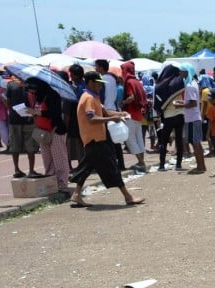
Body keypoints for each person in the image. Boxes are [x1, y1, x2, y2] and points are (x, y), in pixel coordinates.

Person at [70, 72, 144, 208]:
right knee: (112, 167)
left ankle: (76, 194)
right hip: (95, 139)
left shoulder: (94, 97)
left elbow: (105, 112)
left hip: (96, 138)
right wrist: (112, 119)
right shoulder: (88, 98)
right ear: (91, 82)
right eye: (98, 83)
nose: (100, 86)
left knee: (87, 166)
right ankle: (128, 196)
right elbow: (91, 119)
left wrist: (120, 114)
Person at [27, 79, 69, 193]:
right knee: (47, 159)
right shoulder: (38, 97)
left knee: (59, 158)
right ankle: (51, 181)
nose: (33, 93)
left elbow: (54, 113)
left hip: (56, 130)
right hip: (43, 132)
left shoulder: (52, 95)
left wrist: (37, 113)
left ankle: (62, 183)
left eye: (34, 90)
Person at [5, 74, 39, 177]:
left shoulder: (10, 85)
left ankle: (16, 169)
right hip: (29, 118)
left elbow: (8, 102)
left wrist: (13, 112)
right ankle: (31, 170)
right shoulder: (31, 86)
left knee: (15, 145)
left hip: (14, 119)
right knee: (30, 146)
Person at [154, 63, 186, 171]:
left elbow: (158, 103)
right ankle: (178, 165)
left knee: (163, 140)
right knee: (179, 140)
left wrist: (159, 111)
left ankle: (162, 165)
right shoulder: (180, 81)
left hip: (168, 116)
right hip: (180, 114)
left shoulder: (160, 85)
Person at [119, 61, 148, 173]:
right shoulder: (137, 81)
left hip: (130, 113)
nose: (122, 72)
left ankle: (141, 163)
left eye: (123, 70)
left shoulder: (130, 82)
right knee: (139, 139)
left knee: (130, 139)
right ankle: (141, 161)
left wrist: (123, 103)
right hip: (139, 114)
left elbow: (131, 97)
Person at [181, 64, 207, 173]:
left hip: (192, 118)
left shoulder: (190, 86)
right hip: (193, 117)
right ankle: (201, 166)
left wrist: (180, 105)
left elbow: (193, 103)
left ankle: (200, 167)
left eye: (182, 71)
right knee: (196, 143)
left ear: (187, 72)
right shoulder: (193, 83)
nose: (180, 73)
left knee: (195, 143)